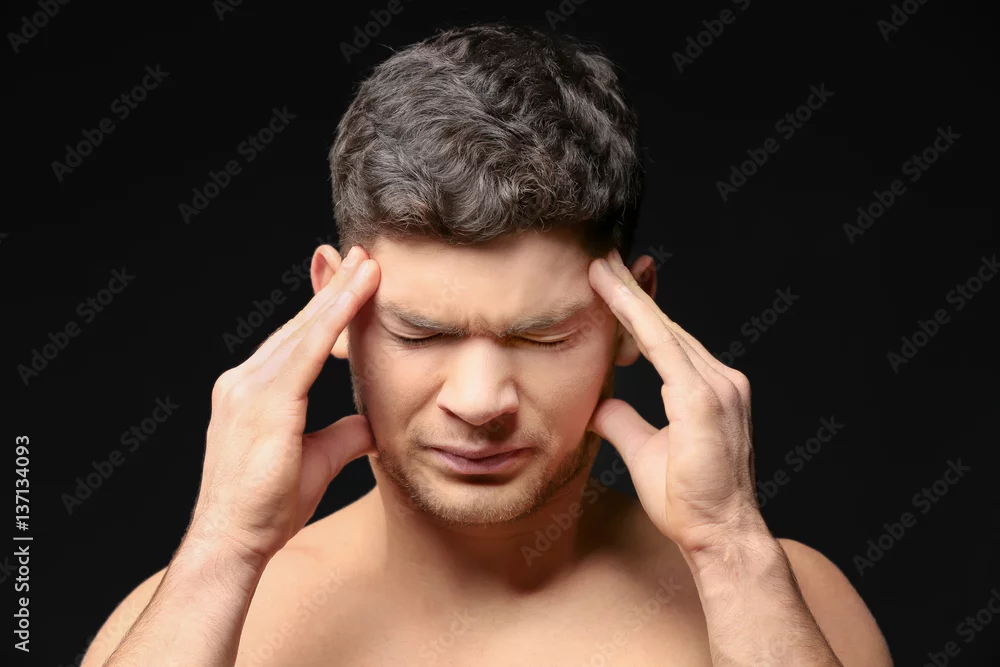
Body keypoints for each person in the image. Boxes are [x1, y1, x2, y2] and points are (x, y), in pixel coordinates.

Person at [82, 23, 893, 667]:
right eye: (421, 332)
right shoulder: (202, 619)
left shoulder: (786, 604)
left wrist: (730, 551)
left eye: (541, 336)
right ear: (333, 305)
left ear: (631, 317)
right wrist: (222, 550)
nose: (479, 401)